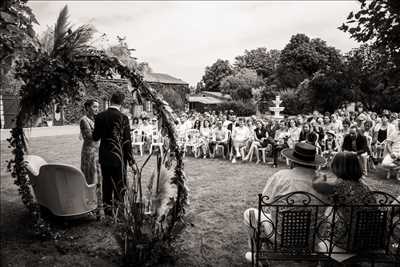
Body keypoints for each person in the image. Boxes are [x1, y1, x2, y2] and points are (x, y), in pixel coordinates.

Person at [243, 143, 326, 262]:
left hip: (282, 237)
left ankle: (256, 253)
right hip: (312, 237)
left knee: (249, 213)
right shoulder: (322, 180)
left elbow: (265, 201)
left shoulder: (280, 176)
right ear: (314, 164)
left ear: (292, 161)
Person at [312, 152, 376, 250]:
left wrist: (321, 176)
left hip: (349, 239)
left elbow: (316, 185)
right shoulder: (364, 185)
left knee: (326, 221)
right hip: (370, 237)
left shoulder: (339, 186)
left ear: (335, 166)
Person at [93, 91, 136, 216]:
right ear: (121, 103)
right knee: (119, 185)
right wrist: (131, 161)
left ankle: (107, 213)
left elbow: (95, 137)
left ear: (110, 101)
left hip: (105, 156)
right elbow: (127, 142)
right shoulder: (123, 118)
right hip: (119, 158)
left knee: (106, 185)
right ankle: (119, 213)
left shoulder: (100, 116)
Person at [80, 99, 100, 185]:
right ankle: (89, 195)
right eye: (94, 107)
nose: (97, 109)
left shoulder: (96, 119)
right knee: (90, 176)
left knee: (99, 174)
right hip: (89, 152)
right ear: (88, 108)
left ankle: (98, 195)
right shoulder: (84, 120)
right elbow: (90, 137)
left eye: (98, 107)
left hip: (98, 151)